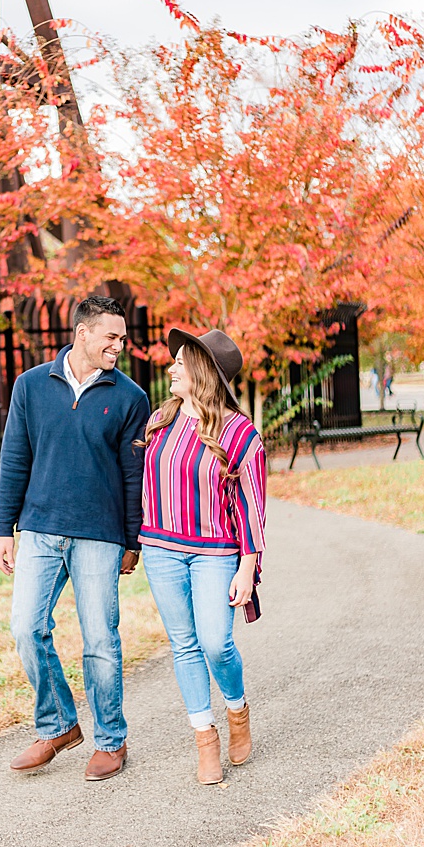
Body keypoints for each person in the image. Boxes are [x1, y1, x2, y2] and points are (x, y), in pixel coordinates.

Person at [0, 296, 151, 782]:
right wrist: (4, 529)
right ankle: (58, 725)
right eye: (111, 337)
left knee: (100, 640)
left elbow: (132, 474)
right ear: (83, 333)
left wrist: (131, 540)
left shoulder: (130, 398)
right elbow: (14, 457)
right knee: (25, 628)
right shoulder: (32, 386)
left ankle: (110, 741)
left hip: (99, 536)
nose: (119, 346)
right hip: (39, 530)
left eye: (122, 339)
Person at [136, 329, 265, 785]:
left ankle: (236, 709)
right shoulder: (159, 422)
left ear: (203, 372)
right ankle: (205, 739)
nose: (171, 368)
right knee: (184, 646)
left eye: (180, 362)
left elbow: (252, 505)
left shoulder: (239, 433)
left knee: (216, 643)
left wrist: (247, 568)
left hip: (215, 554)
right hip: (161, 552)